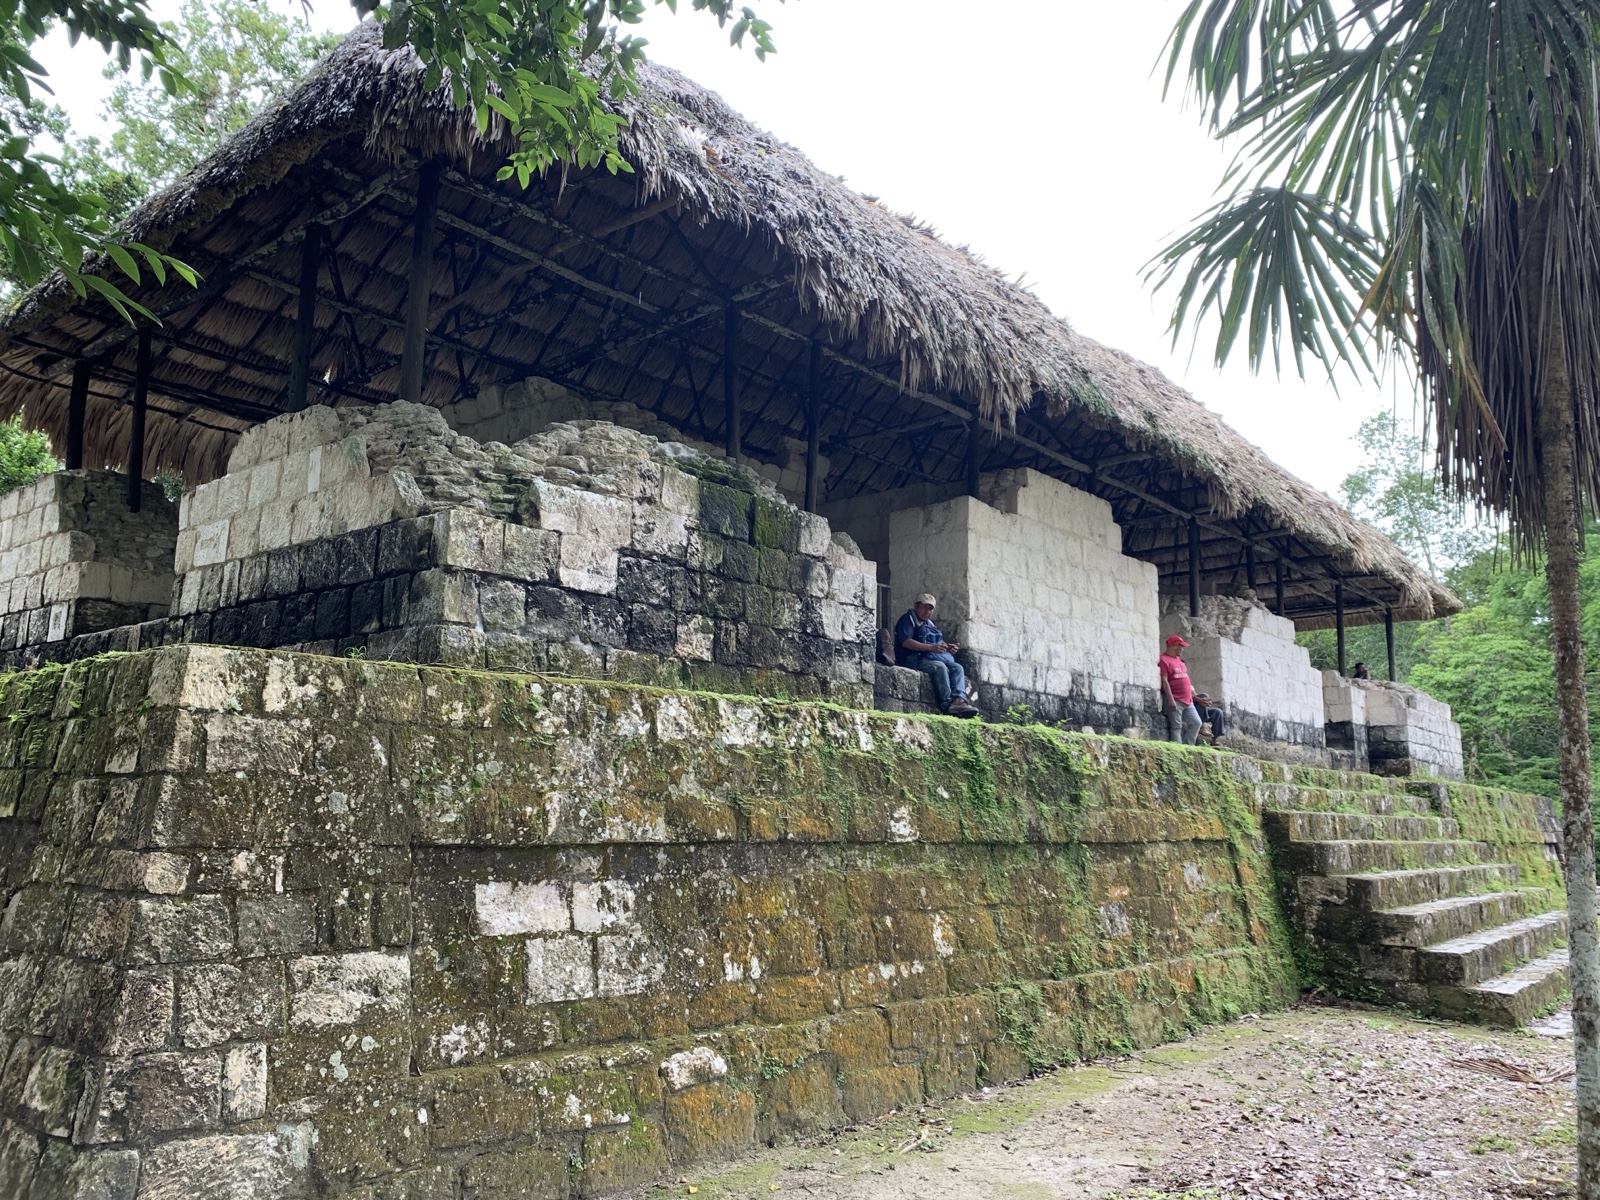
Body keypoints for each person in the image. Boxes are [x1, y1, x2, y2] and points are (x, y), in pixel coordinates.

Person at [894, 593, 980, 717]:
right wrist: (931, 647)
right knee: (940, 667)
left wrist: (947, 647)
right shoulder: (907, 619)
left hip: (929, 657)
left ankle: (959, 700)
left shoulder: (930, 624)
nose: (927, 611)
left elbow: (938, 642)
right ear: (916, 606)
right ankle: (947, 704)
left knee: (957, 668)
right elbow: (906, 642)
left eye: (930, 609)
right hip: (911, 658)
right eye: (925, 607)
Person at [1158, 634, 1202, 745]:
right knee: (1176, 726)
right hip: (1175, 699)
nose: (1182, 649)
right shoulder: (1164, 660)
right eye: (1181, 647)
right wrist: (1170, 699)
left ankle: (1188, 747)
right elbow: (1164, 681)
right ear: (1175, 646)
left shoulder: (1179, 660)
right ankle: (1178, 749)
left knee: (1196, 723)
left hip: (1188, 700)